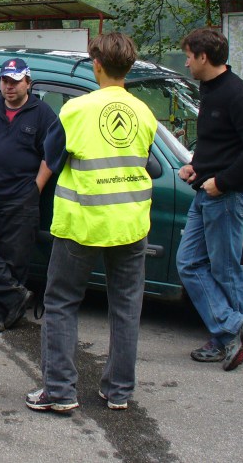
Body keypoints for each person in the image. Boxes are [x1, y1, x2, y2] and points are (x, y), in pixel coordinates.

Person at [25, 32, 157, 413]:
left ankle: (60, 391)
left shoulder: (76, 111)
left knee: (62, 302)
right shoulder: (144, 113)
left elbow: (53, 156)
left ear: (96, 65)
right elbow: (145, 160)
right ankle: (118, 392)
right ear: (128, 68)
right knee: (127, 306)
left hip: (82, 222)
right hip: (131, 223)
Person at [176, 28, 243, 371]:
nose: (186, 62)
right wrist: (196, 167)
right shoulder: (211, 89)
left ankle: (227, 340)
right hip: (208, 191)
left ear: (203, 57)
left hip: (227, 197)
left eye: (188, 56)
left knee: (224, 269)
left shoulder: (236, 93)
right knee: (188, 263)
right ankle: (231, 327)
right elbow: (220, 141)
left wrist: (224, 181)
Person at [0, 57, 56, 334]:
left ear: (28, 82)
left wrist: (35, 188)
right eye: (5, 81)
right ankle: (15, 294)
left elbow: (51, 156)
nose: (9, 87)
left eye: (15, 82)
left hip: (20, 197)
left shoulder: (43, 113)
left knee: (14, 258)